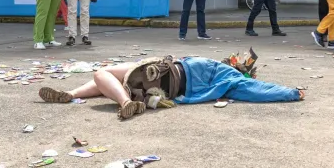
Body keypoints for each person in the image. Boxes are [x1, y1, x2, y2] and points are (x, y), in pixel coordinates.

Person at [37, 50, 304, 120]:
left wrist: (290, 93)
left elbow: (257, 90)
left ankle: (125, 102)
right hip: (164, 79)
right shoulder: (223, 72)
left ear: (239, 68)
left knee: (101, 73)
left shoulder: (230, 78)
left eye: (238, 61)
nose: (234, 59)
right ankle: (70, 94)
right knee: (106, 78)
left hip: (164, 75)